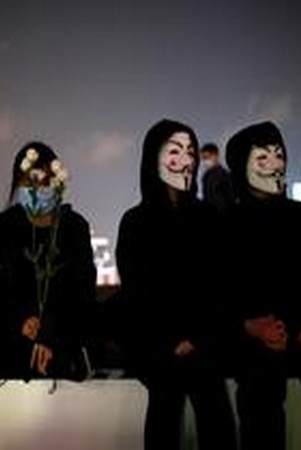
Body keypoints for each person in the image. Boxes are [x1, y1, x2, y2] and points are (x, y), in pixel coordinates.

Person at [116, 119, 236, 450]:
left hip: (205, 343)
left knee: (218, 421)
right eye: (174, 151)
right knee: (164, 415)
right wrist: (170, 340)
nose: (186, 160)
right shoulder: (134, 222)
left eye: (190, 152)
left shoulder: (207, 217)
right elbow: (137, 290)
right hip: (158, 346)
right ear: (152, 158)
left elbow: (218, 285)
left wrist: (196, 337)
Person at [225, 121, 301, 450]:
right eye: (263, 158)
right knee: (259, 400)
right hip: (255, 338)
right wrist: (252, 327)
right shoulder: (228, 224)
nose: (275, 164)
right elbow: (223, 292)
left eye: (279, 154)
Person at [0, 142, 96, 380]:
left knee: (97, 314)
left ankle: (14, 361)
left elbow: (83, 288)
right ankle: (51, 361)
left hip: (60, 326)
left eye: (45, 181)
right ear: (18, 184)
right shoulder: (4, 226)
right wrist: (21, 320)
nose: (38, 189)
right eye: (30, 182)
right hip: (15, 328)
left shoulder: (74, 226)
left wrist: (48, 329)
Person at [199, 142, 235, 212]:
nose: (205, 161)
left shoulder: (225, 175)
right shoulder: (206, 177)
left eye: (207, 157)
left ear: (215, 155)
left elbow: (231, 198)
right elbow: (206, 198)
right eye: (203, 158)